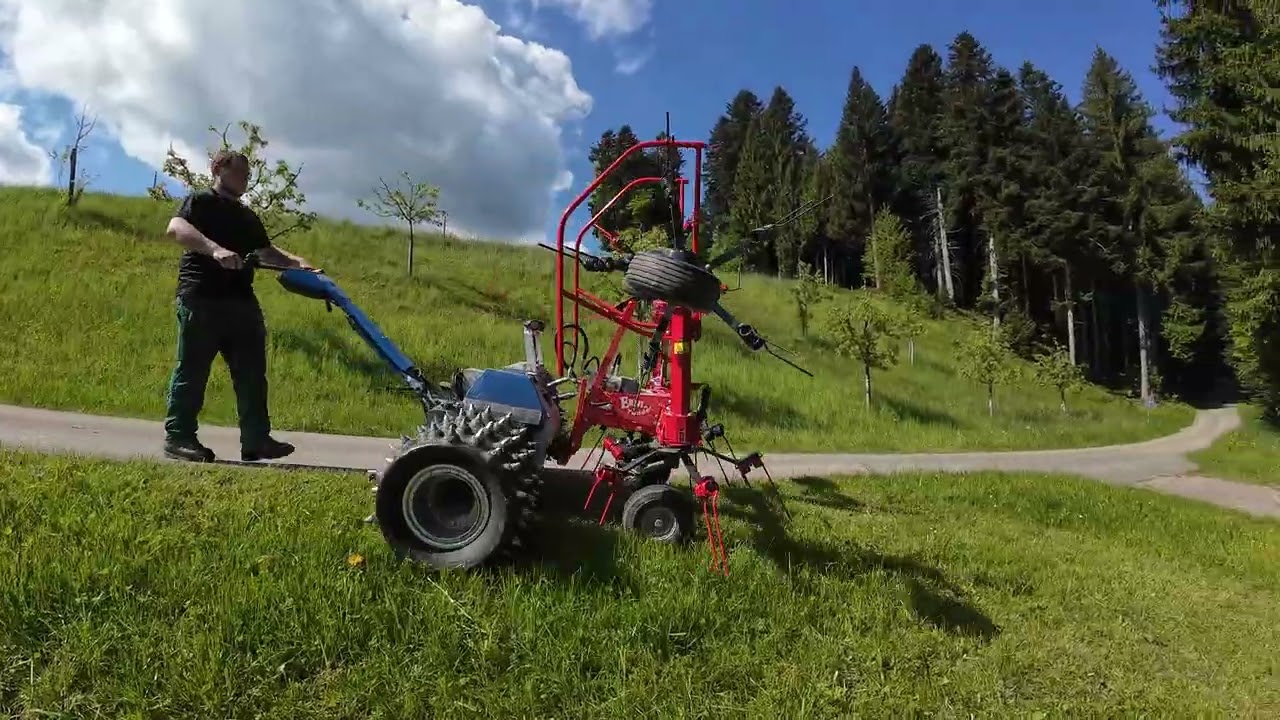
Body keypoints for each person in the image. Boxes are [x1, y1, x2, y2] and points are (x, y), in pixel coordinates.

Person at [161, 149, 317, 463]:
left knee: (252, 375)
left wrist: (298, 264)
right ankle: (179, 437)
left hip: (241, 302)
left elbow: (266, 252)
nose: (246, 178)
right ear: (218, 169)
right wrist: (214, 249)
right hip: (201, 297)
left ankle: (256, 440)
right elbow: (176, 228)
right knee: (192, 371)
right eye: (240, 172)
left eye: (248, 174)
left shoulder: (247, 216)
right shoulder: (200, 202)